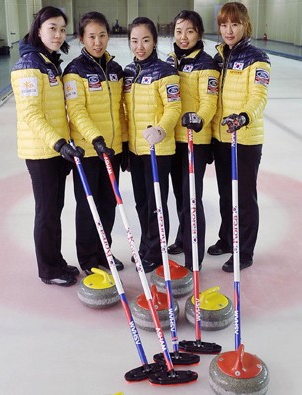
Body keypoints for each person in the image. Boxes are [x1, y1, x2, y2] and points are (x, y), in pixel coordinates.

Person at [11, 6, 85, 286]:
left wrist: (62, 145)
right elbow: (31, 113)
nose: (57, 34)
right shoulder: (29, 65)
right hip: (42, 151)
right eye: (52, 28)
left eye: (62, 29)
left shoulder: (48, 62)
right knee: (46, 210)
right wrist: (58, 143)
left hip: (56, 150)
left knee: (55, 209)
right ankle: (48, 269)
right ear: (38, 29)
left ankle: (56, 260)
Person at [209, 2, 271, 272]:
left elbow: (259, 97)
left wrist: (244, 116)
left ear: (246, 25)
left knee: (243, 197)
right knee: (225, 193)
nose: (228, 30)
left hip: (244, 139)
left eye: (234, 24)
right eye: (224, 24)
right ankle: (227, 238)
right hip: (222, 138)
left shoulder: (258, 59)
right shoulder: (219, 57)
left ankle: (244, 251)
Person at [63, 11, 125, 275]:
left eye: (102, 35)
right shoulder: (74, 71)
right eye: (91, 36)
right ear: (81, 39)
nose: (97, 42)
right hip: (89, 151)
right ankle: (88, 259)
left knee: (109, 204)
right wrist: (95, 139)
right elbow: (76, 112)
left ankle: (104, 253)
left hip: (112, 150)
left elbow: (122, 111)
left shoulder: (115, 70)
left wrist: (123, 144)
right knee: (89, 206)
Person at [123, 17, 181, 273]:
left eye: (145, 40)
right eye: (134, 41)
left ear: (155, 41)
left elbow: (174, 106)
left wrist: (161, 129)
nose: (140, 46)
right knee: (141, 202)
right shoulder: (128, 72)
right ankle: (147, 246)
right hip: (136, 149)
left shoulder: (165, 71)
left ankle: (156, 251)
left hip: (158, 149)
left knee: (156, 202)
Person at [165, 10, 219, 271]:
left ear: (199, 33)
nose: (183, 37)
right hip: (172, 139)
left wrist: (198, 119)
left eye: (189, 31)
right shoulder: (170, 60)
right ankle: (182, 237)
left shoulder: (206, 64)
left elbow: (210, 101)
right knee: (179, 195)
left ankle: (193, 254)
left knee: (191, 198)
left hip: (193, 140)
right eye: (178, 31)